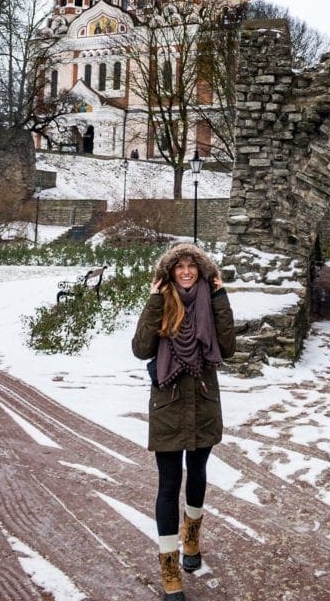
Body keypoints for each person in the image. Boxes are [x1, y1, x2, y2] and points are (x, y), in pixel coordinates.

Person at [132, 243, 236, 601]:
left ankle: (191, 538)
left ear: (202, 271)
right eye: (180, 267)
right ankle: (169, 567)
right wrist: (154, 300)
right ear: (171, 271)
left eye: (193, 266)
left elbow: (229, 346)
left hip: (204, 399)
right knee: (168, 483)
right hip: (169, 402)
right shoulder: (163, 301)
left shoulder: (211, 298)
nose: (187, 272)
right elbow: (142, 348)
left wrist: (221, 297)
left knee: (199, 472)